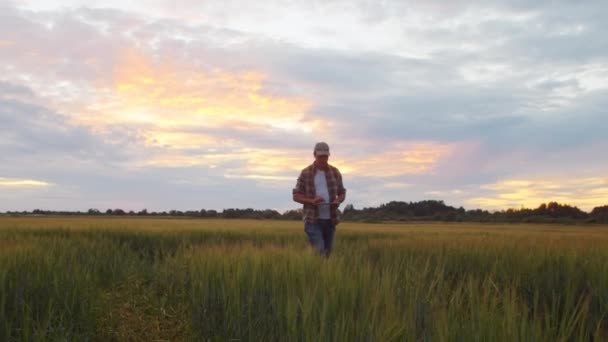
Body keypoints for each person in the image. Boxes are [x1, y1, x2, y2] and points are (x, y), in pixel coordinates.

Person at [292, 142, 346, 257]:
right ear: (314, 155)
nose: (323, 159)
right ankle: (316, 271)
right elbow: (296, 195)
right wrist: (312, 201)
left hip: (330, 220)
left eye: (325, 156)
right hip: (312, 220)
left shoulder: (335, 172)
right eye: (320, 156)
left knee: (327, 253)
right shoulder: (305, 173)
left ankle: (321, 273)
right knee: (319, 250)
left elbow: (342, 192)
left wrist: (338, 201)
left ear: (329, 155)